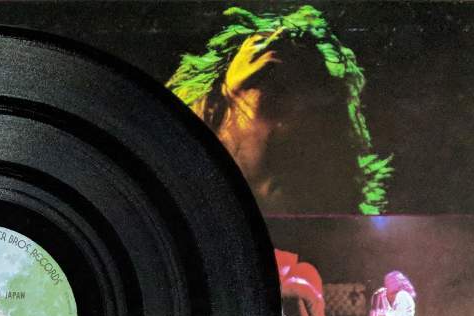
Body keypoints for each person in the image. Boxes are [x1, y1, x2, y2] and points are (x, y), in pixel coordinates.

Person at [166, 5, 392, 216]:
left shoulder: (319, 191)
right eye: (262, 41)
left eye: (298, 52)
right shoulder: (184, 175)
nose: (278, 37)